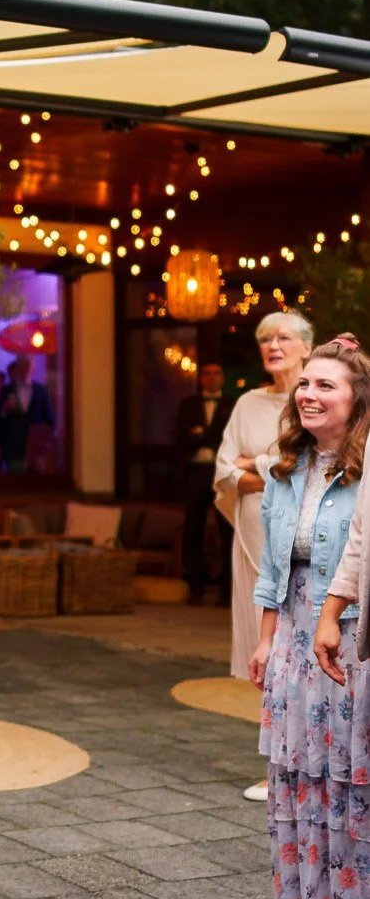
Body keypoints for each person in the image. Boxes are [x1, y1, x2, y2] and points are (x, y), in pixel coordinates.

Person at [248, 338, 370, 899]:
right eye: (306, 384)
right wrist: (266, 638)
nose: (309, 394)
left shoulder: (367, 471)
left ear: (356, 401)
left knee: (356, 790)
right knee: (305, 787)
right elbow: (273, 566)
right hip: (295, 637)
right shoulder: (284, 467)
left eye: (326, 385)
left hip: (349, 644)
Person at [217, 312, 313, 797]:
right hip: (251, 538)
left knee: (296, 646)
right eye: (264, 339)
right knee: (261, 651)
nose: (273, 345)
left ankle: (296, 764)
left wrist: (253, 464)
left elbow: (305, 466)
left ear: (306, 347)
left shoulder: (314, 398)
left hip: (301, 540)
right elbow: (222, 470)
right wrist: (272, 468)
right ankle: (276, 762)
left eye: (283, 337)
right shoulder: (247, 403)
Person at [178, 360, 229, 603]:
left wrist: (201, 434)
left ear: (222, 377)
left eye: (216, 372)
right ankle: (195, 589)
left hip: (221, 471)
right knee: (193, 529)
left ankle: (226, 591)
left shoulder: (232, 405)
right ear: (200, 379)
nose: (211, 377)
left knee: (226, 530)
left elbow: (228, 438)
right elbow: (180, 436)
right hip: (195, 471)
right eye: (206, 374)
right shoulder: (187, 404)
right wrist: (207, 436)